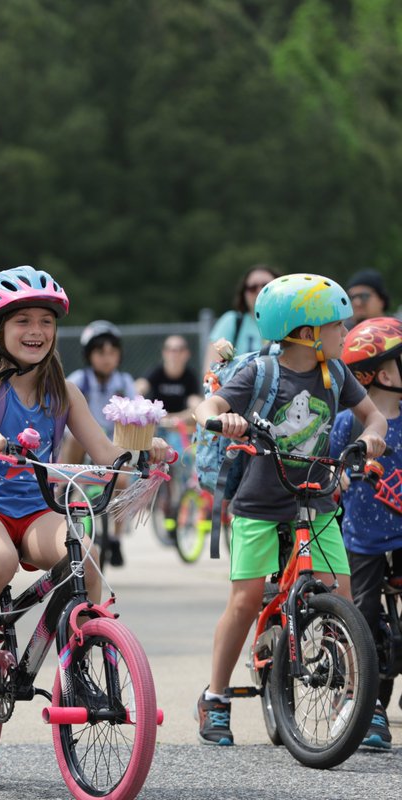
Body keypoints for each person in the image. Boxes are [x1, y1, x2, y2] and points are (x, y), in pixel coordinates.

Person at [0, 266, 169, 699]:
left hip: (38, 507)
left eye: (46, 321)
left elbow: (105, 453)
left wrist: (144, 452)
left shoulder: (63, 392)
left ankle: (76, 669)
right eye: (23, 321)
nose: (36, 330)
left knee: (84, 560)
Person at [191, 273, 386, 746]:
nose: (346, 332)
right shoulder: (260, 373)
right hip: (259, 503)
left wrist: (370, 437)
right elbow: (206, 405)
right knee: (243, 601)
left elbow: (372, 416)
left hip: (315, 498)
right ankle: (215, 698)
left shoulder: (335, 374)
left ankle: (361, 702)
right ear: (306, 333)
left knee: (343, 597)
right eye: (337, 326)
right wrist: (224, 419)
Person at [331, 316, 402, 750]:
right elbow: (331, 469)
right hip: (362, 538)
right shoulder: (348, 422)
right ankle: (369, 705)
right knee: (363, 617)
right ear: (380, 372)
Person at [63, 320, 137, 566]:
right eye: (100, 352)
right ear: (89, 355)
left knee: (123, 480)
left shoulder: (124, 382)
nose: (107, 358)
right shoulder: (78, 380)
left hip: (112, 443)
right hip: (81, 441)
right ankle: (63, 486)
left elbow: (134, 414)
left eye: (112, 352)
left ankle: (115, 538)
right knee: (74, 439)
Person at [204, 264, 281, 366]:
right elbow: (210, 370)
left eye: (266, 286)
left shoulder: (292, 322)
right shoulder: (231, 321)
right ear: (244, 293)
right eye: (252, 288)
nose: (260, 291)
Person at [134, 334, 203, 421]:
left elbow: (196, 405)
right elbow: (140, 386)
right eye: (171, 350)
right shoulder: (156, 372)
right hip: (154, 422)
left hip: (179, 426)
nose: (175, 354)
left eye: (180, 350)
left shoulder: (190, 376)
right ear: (164, 353)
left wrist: (172, 419)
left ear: (187, 353)